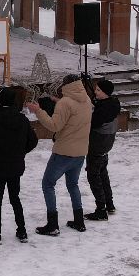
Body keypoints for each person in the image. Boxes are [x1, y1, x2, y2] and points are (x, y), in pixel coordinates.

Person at [27, 74, 92, 236]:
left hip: (63, 152)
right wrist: (58, 102)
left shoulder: (65, 103)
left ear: (65, 85)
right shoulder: (87, 100)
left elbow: (54, 126)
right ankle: (79, 220)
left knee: (48, 184)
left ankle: (52, 224)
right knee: (73, 184)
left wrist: (38, 111)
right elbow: (73, 114)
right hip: (80, 151)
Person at [0, 86, 38, 244]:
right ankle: (22, 231)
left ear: (0, 101)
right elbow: (33, 141)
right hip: (16, 165)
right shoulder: (22, 119)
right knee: (15, 198)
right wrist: (21, 153)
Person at [85, 78, 121, 220]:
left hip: (97, 145)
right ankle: (109, 204)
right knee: (103, 173)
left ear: (105, 93)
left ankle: (101, 210)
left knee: (93, 176)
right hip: (107, 144)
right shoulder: (112, 104)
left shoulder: (103, 109)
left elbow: (91, 123)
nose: (95, 92)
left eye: (98, 90)